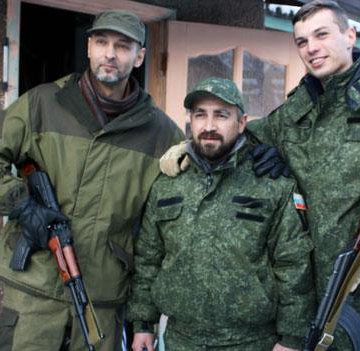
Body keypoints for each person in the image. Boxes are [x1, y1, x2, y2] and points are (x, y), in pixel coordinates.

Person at [160, 1, 360, 349]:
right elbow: (249, 134)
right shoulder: (299, 108)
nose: (312, 48)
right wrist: (191, 148)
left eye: (321, 35)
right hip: (307, 306)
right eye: (302, 41)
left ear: (349, 35)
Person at [0, 10, 183, 351]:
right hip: (35, 292)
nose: (110, 53)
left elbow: (158, 235)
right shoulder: (42, 103)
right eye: (102, 42)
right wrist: (22, 205)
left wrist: (144, 320)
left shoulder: (162, 134)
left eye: (123, 46)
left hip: (102, 297)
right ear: (89, 47)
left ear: (139, 56)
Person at [128, 78, 315, 351]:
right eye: (200, 115)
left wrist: (291, 338)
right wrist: (143, 323)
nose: (209, 126)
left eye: (221, 115)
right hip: (182, 340)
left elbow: (293, 265)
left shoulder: (272, 185)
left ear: (242, 123)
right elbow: (148, 259)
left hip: (252, 342)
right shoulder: (168, 183)